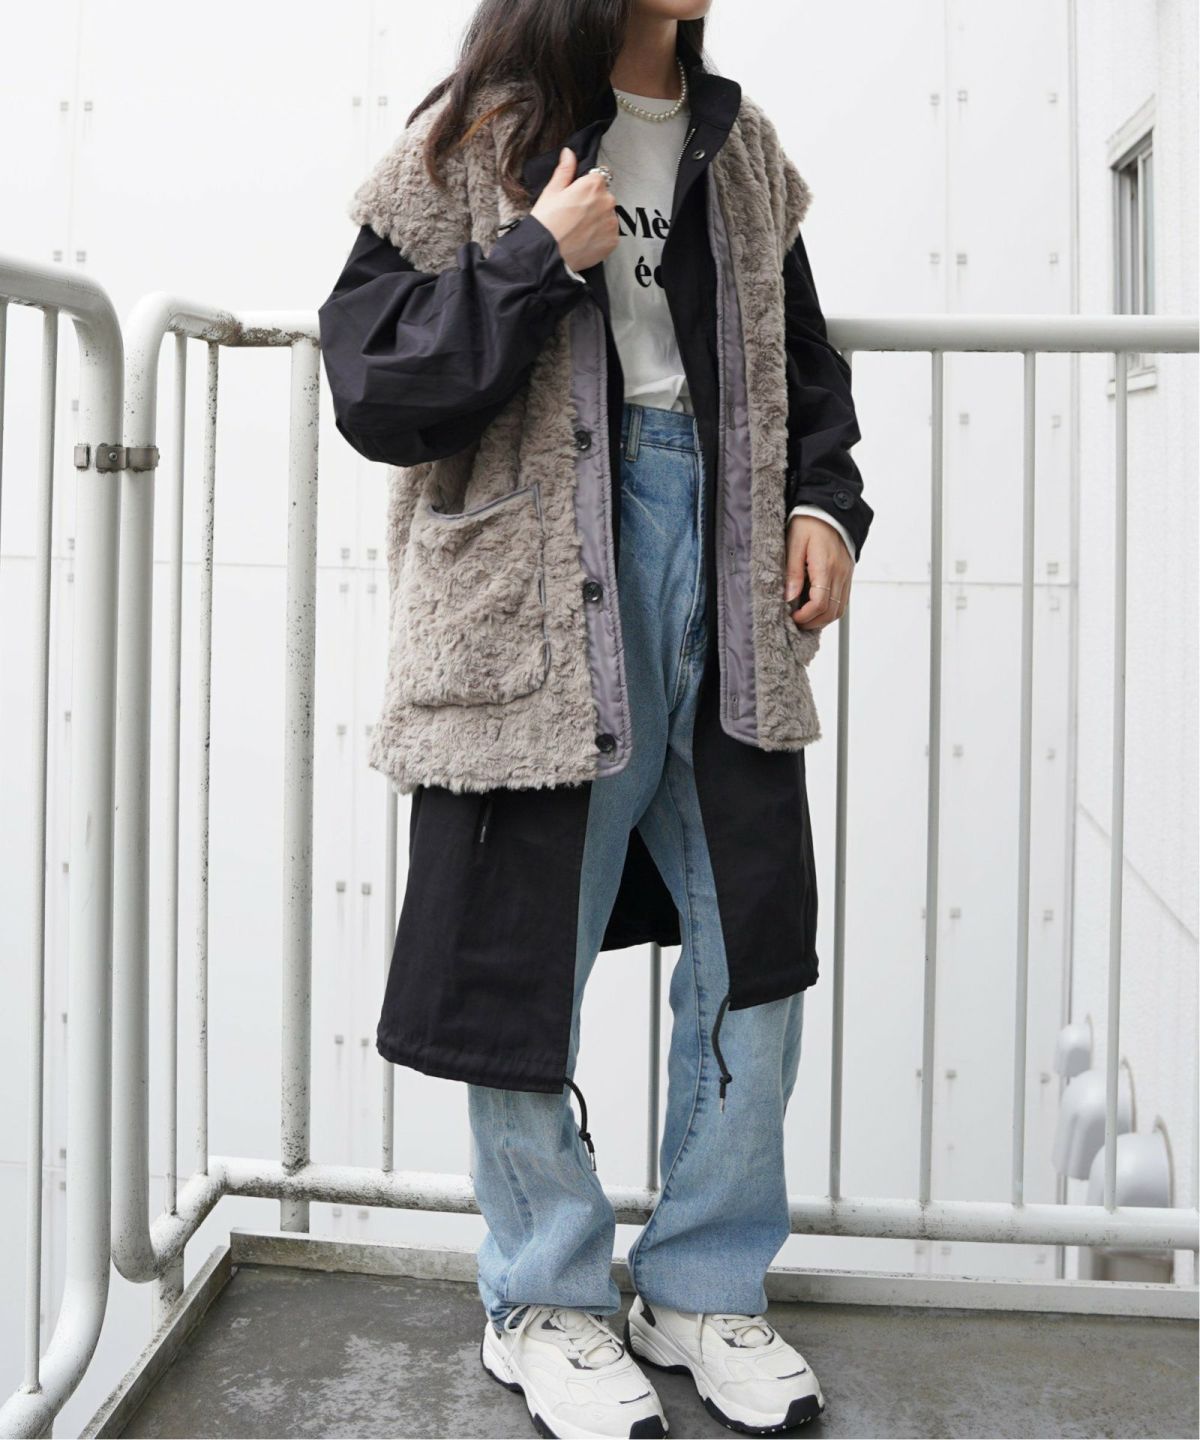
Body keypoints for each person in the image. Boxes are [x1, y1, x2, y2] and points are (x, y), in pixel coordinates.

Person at [318, 2, 871, 1435]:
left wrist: (824, 507)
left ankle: (705, 1285)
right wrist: (528, 260)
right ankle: (545, 1298)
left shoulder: (744, 151)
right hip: (538, 583)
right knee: (522, 951)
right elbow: (372, 382)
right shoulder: (477, 137)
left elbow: (807, 374)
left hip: (727, 568)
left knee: (754, 948)